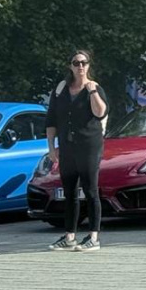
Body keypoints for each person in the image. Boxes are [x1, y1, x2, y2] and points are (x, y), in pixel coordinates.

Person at [44, 48, 108, 253]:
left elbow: (100, 113)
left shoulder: (94, 88)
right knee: (69, 192)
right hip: (67, 146)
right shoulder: (61, 90)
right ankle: (69, 236)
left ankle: (94, 237)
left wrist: (92, 92)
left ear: (88, 66)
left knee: (90, 190)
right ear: (70, 66)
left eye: (84, 63)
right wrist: (51, 147)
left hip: (89, 146)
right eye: (76, 63)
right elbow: (51, 119)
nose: (80, 66)